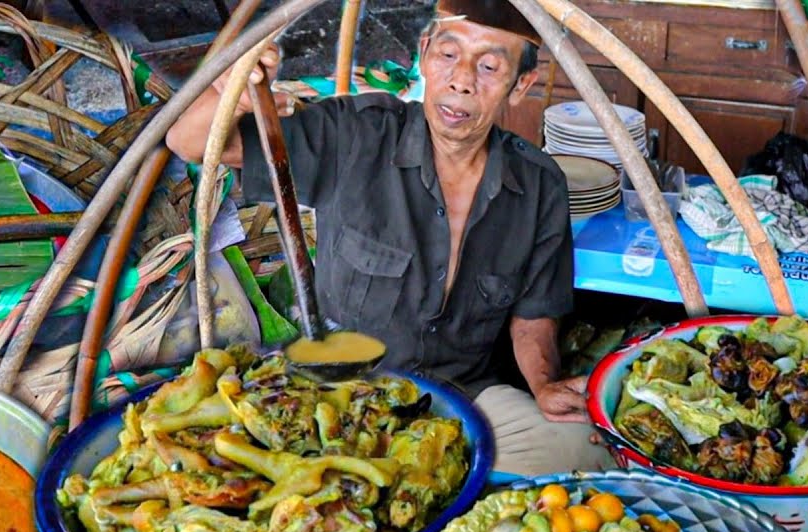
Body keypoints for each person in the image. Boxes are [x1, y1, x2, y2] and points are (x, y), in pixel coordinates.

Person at [165, 0, 612, 477]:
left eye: (488, 66)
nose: (462, 80)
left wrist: (544, 385)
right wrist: (229, 91)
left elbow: (534, 315)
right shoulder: (355, 135)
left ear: (519, 84)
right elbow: (189, 143)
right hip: (339, 394)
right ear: (423, 55)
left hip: (464, 397)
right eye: (447, 55)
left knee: (583, 450)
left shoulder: (539, 183)